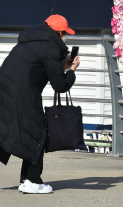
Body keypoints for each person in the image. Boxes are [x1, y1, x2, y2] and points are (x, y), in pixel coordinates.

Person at [0, 14, 80, 194]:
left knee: (7, 130)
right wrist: (72, 71)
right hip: (24, 93)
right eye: (64, 34)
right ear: (59, 32)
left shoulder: (30, 39)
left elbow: (39, 70)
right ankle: (32, 181)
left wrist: (63, 67)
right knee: (38, 134)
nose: (64, 37)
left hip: (5, 88)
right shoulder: (51, 46)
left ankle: (27, 180)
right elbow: (60, 86)